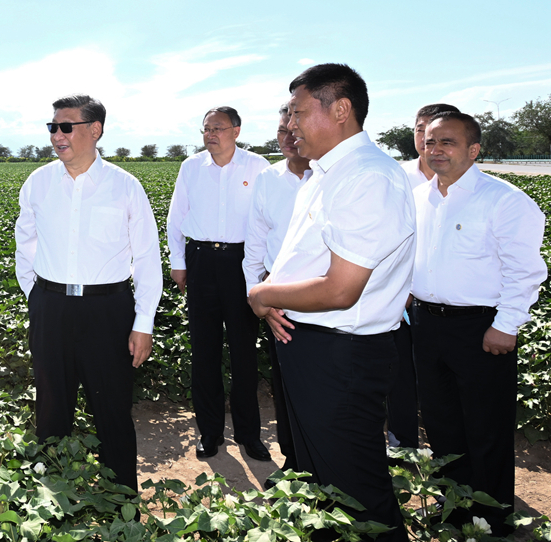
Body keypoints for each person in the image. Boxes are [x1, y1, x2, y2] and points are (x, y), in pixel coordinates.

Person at [247, 64, 414, 540]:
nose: (290, 123)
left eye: (298, 112)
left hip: (341, 353)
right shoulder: (325, 173)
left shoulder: (367, 177)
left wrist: (263, 294)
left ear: (340, 110)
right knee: (321, 483)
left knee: (356, 489)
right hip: (312, 344)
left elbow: (342, 288)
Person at [14, 94, 163, 491]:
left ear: (94, 130)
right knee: (50, 411)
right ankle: (49, 501)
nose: (56, 136)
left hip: (108, 311)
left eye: (66, 127)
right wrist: (37, 297)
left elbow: (148, 258)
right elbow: (24, 244)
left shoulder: (125, 187)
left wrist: (143, 323)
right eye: (52, 127)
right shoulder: (38, 183)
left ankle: (122, 500)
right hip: (51, 308)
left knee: (112, 411)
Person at [410, 111, 546, 535]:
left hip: (480, 329)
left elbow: (524, 271)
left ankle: (493, 518)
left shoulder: (503, 200)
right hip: (427, 326)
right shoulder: (419, 197)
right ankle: (454, 509)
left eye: (448, 142)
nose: (436, 150)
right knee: (442, 425)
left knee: (486, 428)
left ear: (473, 149)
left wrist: (506, 325)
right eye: (431, 142)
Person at [166, 107, 271, 460]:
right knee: (204, 351)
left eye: (218, 128)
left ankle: (248, 435)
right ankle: (210, 433)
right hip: (201, 263)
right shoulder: (191, 167)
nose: (211, 134)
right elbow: (176, 216)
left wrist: (260, 272)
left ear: (236, 131)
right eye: (206, 129)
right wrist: (179, 264)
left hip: (243, 263)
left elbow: (266, 221)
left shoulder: (258, 167)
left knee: (244, 352)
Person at [242, 102, 311, 477]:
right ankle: (293, 462)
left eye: (293, 129)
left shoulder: (330, 177)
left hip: (323, 295)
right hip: (276, 296)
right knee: (284, 384)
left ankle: (319, 465)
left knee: (319, 386)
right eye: (281, 130)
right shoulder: (268, 179)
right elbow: (255, 242)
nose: (286, 137)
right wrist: (259, 296)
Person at [387, 102, 459, 450]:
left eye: (435, 133)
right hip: (399, 299)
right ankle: (402, 444)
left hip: (442, 303)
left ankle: (450, 459)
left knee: (442, 386)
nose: (426, 139)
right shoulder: (395, 175)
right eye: (420, 130)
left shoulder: (469, 187)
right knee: (400, 375)